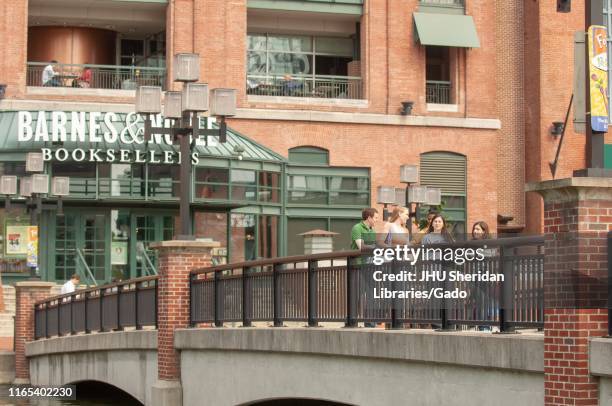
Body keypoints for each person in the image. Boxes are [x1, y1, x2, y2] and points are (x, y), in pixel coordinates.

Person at [351, 208, 380, 328]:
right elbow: (360, 246)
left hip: (370, 266)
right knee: (356, 294)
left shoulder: (372, 230)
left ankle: (370, 322)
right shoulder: (357, 228)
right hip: (357, 266)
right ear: (369, 217)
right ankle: (352, 321)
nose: (377, 220)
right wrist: (375, 247)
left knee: (371, 293)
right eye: (376, 218)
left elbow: (375, 246)